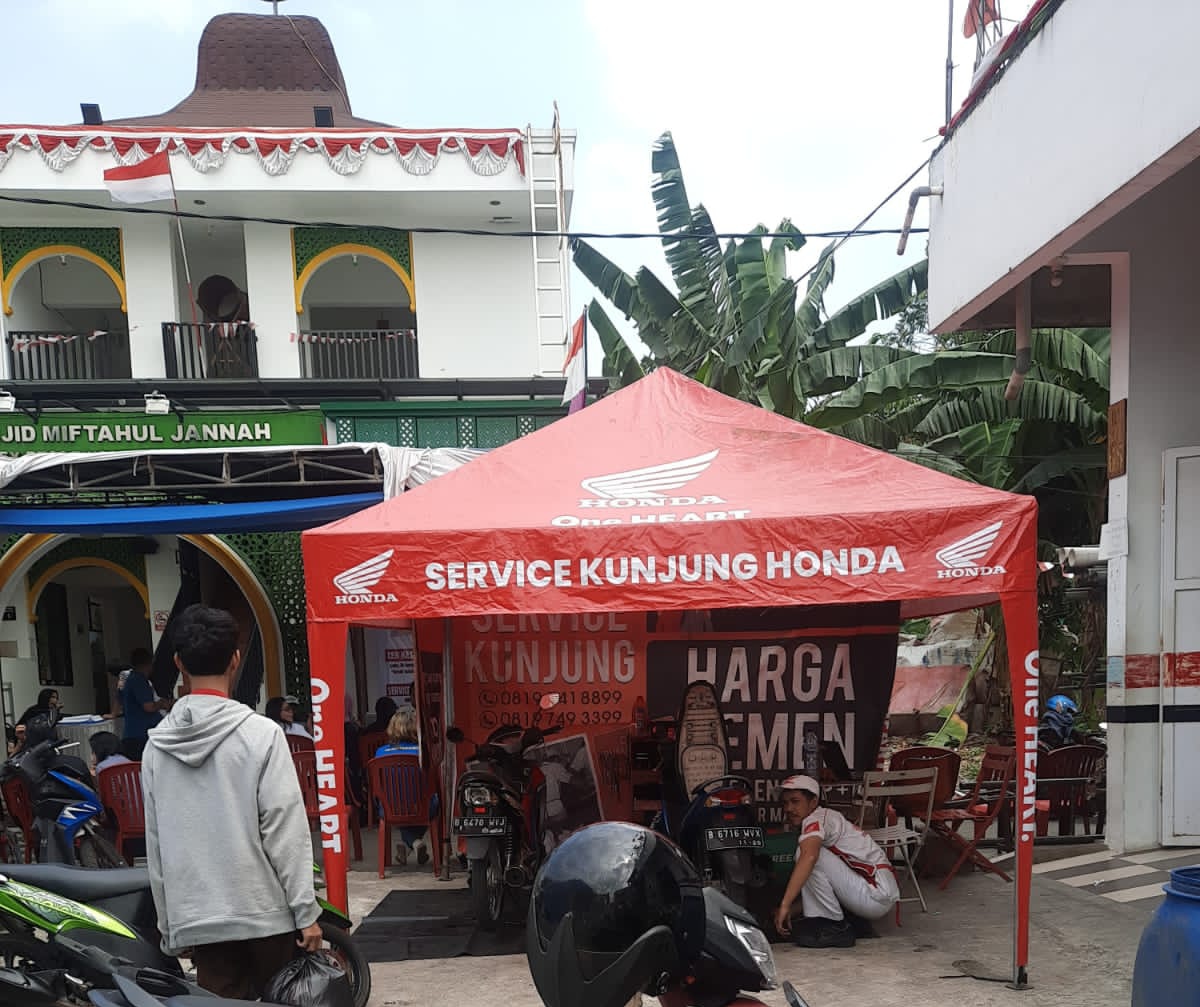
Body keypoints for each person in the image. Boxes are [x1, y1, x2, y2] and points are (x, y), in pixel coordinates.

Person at [141, 604, 321, 1000]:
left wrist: (172, 927)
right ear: (236, 659)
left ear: (177, 663)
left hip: (200, 917)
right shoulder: (262, 734)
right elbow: (284, 829)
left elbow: (157, 845)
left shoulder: (156, 747)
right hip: (265, 913)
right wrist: (305, 912)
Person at [773, 774, 899, 949]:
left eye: (795, 801)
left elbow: (809, 858)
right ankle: (838, 921)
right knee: (810, 856)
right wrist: (793, 909)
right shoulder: (826, 817)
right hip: (876, 892)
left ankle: (833, 928)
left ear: (813, 802)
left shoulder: (817, 818)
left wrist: (785, 904)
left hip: (875, 893)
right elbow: (824, 883)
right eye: (785, 803)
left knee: (807, 854)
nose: (789, 808)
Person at [374, 707, 429, 865]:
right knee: (434, 804)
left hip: (390, 808)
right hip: (423, 807)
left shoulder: (380, 753)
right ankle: (414, 842)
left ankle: (410, 844)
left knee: (399, 808)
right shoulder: (424, 752)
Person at [122, 649, 169, 761]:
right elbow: (149, 706)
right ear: (148, 664)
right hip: (140, 736)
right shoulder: (138, 680)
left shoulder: (131, 679)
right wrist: (162, 704)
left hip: (135, 735)